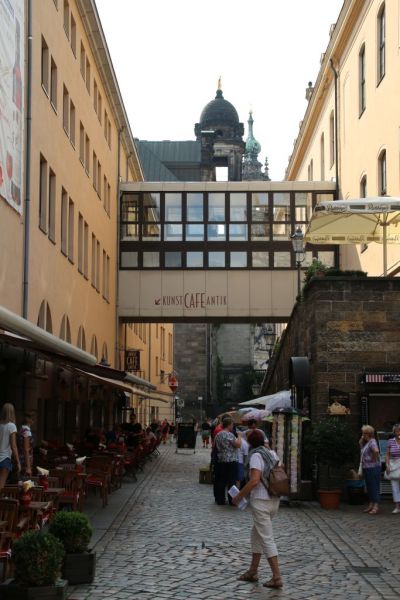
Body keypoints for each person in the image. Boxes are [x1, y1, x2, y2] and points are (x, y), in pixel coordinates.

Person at [233, 429, 283, 588]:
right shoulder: (272, 453)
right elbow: (280, 469)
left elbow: (254, 480)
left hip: (261, 501)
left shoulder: (256, 455)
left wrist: (239, 496)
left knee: (266, 538)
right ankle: (253, 571)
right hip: (274, 499)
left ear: (250, 443)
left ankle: (277, 577)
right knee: (256, 535)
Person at [214, 416, 241, 505]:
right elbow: (238, 445)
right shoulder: (229, 435)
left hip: (221, 460)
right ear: (229, 425)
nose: (232, 426)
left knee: (222, 480)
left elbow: (215, 445)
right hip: (231, 460)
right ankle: (232, 500)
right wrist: (239, 436)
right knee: (232, 481)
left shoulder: (218, 434)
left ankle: (220, 499)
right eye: (232, 425)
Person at [359, 424, 381, 515]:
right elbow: (363, 452)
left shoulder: (372, 442)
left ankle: (376, 505)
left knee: (374, 486)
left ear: (369, 434)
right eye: (363, 433)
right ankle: (371, 504)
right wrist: (360, 443)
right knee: (369, 487)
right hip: (367, 468)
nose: (363, 435)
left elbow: (376, 451)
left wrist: (373, 459)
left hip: (373, 468)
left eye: (364, 433)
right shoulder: (367, 443)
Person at [0, 403, 21, 490]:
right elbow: (13, 445)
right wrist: (18, 462)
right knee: (1, 486)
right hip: (4, 458)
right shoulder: (11, 426)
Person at [385, 423, 400, 513]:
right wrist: (387, 465)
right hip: (393, 464)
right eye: (397, 431)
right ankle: (397, 507)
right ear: (394, 432)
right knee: (394, 486)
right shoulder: (390, 441)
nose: (399, 433)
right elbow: (387, 454)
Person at [17, 412, 34, 477]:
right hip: (25, 462)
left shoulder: (22, 428)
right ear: (27, 419)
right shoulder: (26, 431)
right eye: (32, 418)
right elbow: (26, 449)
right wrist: (28, 467)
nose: (33, 420)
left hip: (22, 459)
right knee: (25, 480)